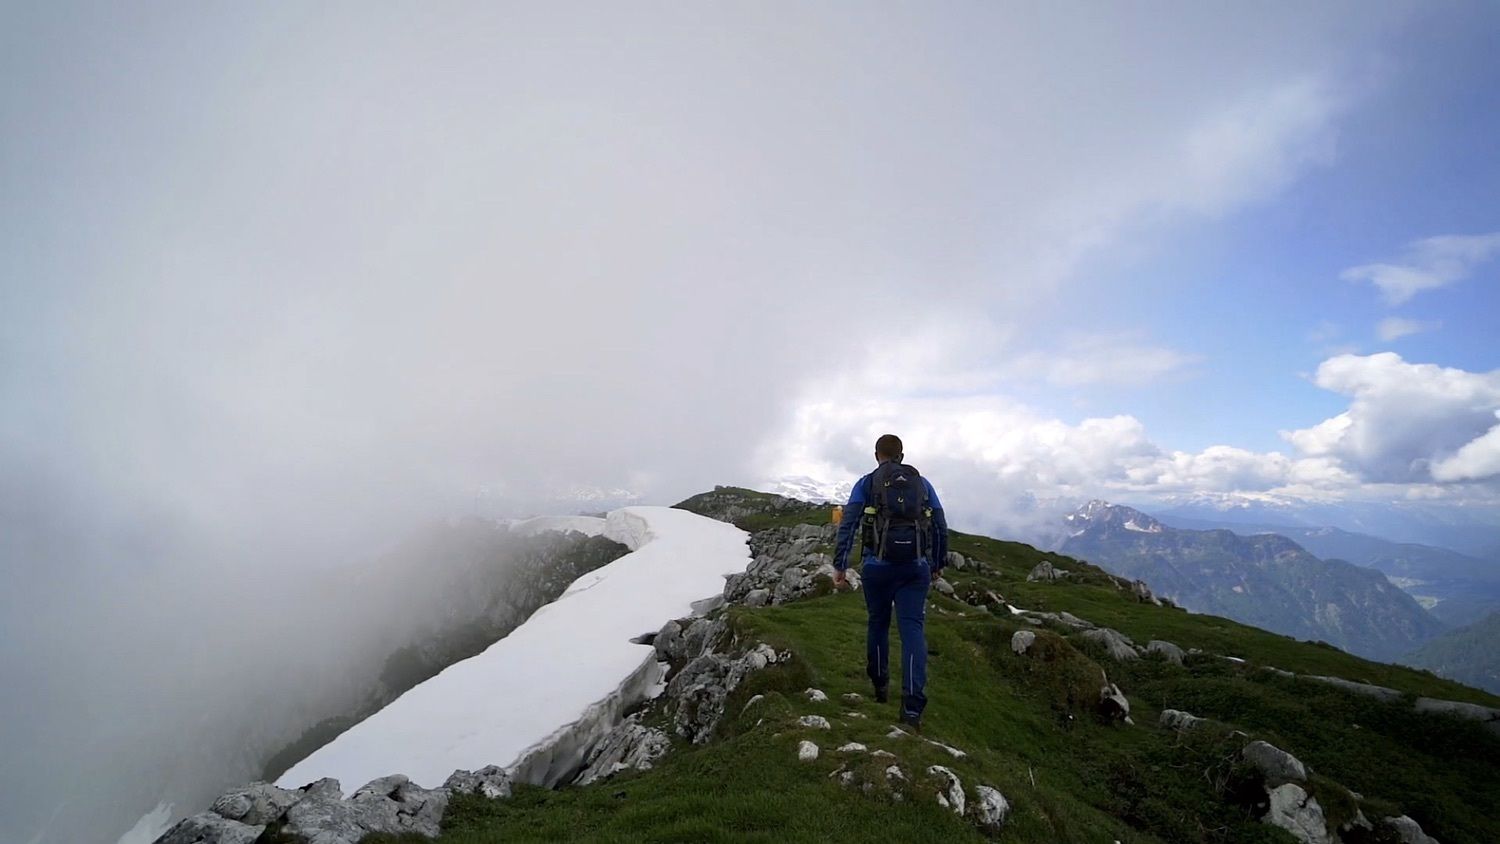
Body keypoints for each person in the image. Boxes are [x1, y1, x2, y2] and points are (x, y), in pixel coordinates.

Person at [833, 434, 948, 729]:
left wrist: (840, 565)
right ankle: (912, 708)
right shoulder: (922, 484)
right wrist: (936, 563)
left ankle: (880, 684)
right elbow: (939, 525)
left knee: (878, 624)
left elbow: (848, 523)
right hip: (915, 569)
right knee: (912, 631)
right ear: (901, 455)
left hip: (877, 567)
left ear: (876, 455)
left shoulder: (866, 483)